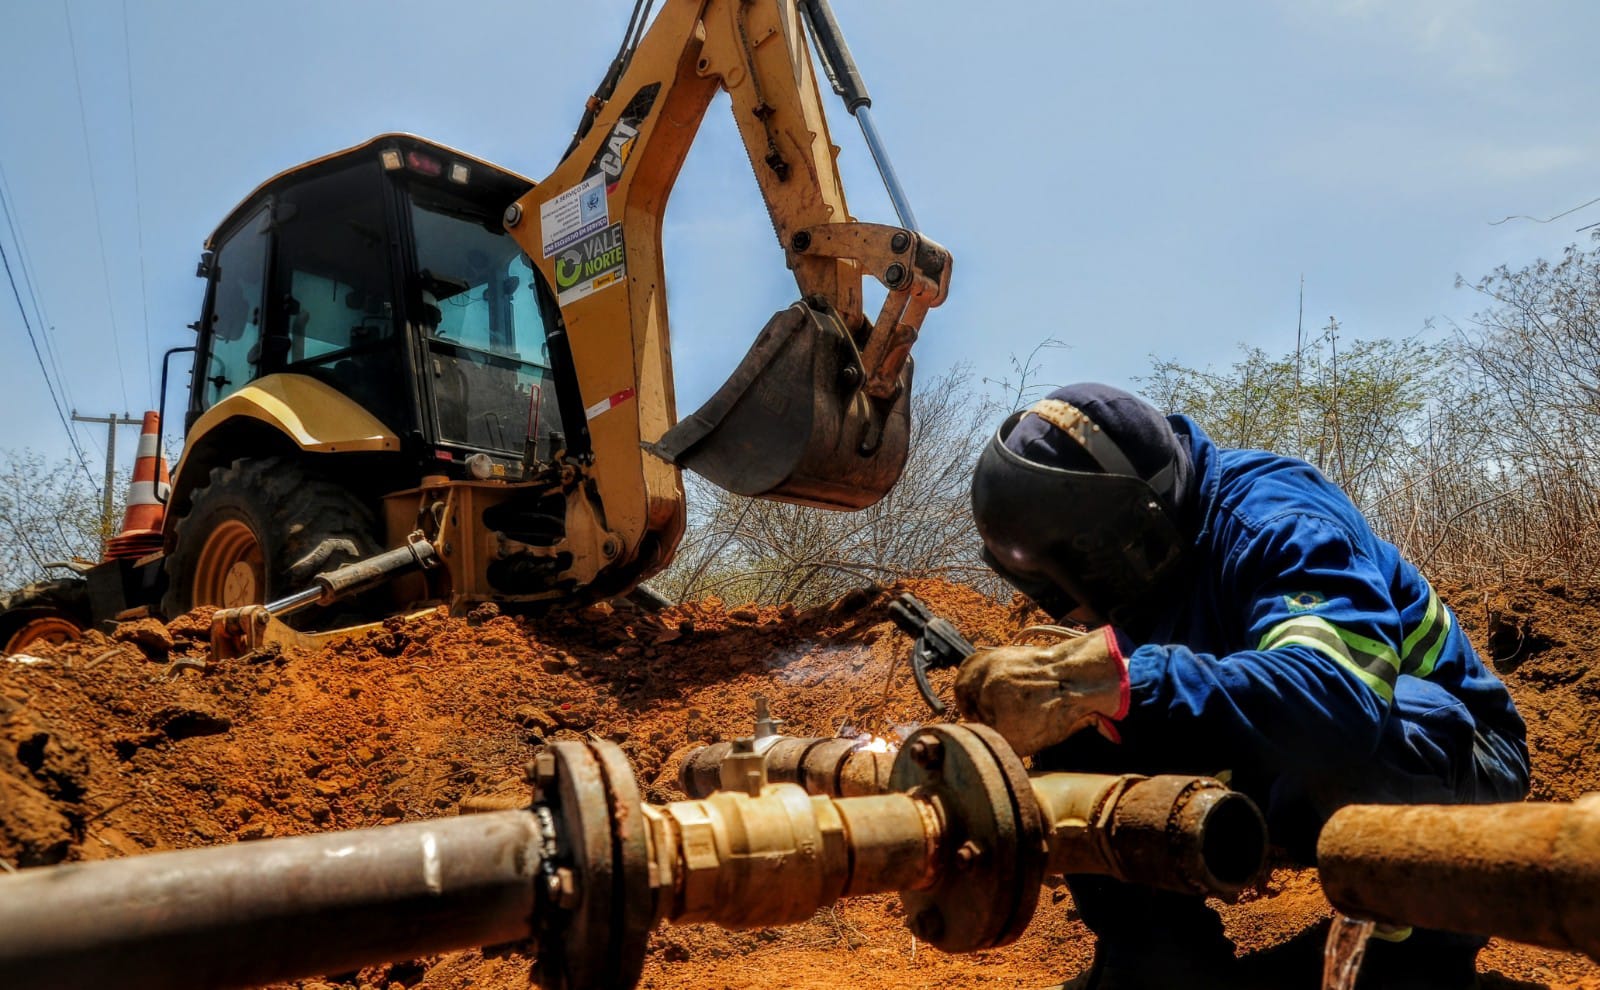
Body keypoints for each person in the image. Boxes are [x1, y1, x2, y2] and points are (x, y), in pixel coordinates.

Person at [958, 383, 1530, 990]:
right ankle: (1159, 962)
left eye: (1066, 587)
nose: (1072, 612)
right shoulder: (1159, 550)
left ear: (1126, 539)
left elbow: (1335, 698)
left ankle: (1417, 952)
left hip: (1456, 755)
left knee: (1329, 718)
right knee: (1083, 733)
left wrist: (1116, 677)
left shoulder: (1279, 520)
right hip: (1298, 745)